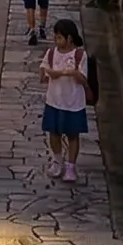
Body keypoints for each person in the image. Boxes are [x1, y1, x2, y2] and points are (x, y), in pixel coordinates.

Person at [40, 19, 90, 183]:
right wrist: (49, 73)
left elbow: (83, 79)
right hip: (54, 100)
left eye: (60, 37)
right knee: (54, 133)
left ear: (69, 38)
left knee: (73, 135)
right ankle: (57, 161)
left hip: (73, 102)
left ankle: (71, 166)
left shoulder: (80, 56)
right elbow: (43, 73)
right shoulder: (51, 53)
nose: (57, 40)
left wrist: (73, 73)